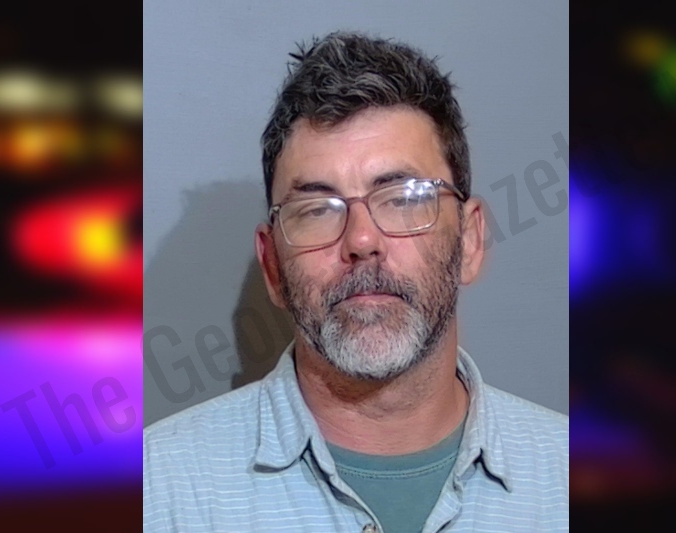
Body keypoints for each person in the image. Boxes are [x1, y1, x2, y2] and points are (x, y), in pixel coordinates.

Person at [144, 31, 568, 533]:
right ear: (273, 266)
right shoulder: (156, 490)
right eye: (316, 209)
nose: (362, 240)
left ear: (470, 241)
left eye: (404, 198)